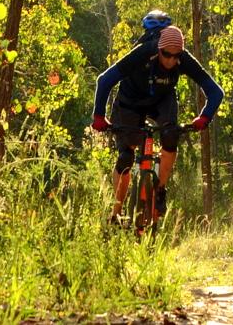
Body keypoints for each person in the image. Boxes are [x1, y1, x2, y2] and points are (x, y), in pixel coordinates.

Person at [91, 18, 223, 223]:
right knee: (126, 156)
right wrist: (99, 116)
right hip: (130, 101)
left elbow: (215, 92)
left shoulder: (183, 59)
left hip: (162, 100)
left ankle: (160, 189)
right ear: (158, 48)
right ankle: (116, 213)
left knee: (170, 136)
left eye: (176, 56)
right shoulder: (144, 52)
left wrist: (204, 118)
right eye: (166, 55)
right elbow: (104, 80)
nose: (171, 60)